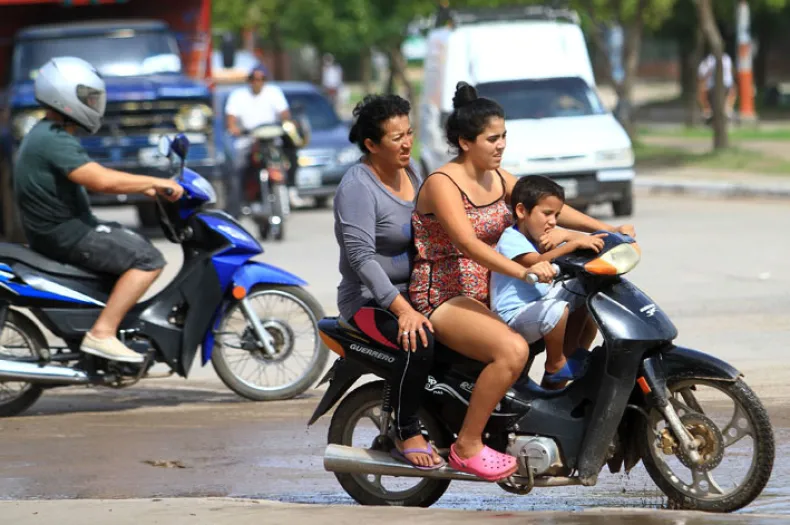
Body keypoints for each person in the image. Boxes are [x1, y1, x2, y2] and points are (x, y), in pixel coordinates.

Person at [409, 81, 636, 482]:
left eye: (503, 136)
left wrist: (607, 229)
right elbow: (467, 243)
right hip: (445, 295)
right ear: (465, 142)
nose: (501, 145)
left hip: (492, 290)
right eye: (492, 139)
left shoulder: (496, 177)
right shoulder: (442, 183)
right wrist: (524, 271)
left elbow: (547, 207)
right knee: (511, 350)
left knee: (578, 297)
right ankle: (467, 445)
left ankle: (553, 386)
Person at [13, 56, 183, 364]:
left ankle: (110, 327)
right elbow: (101, 180)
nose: (93, 104)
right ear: (63, 95)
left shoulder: (49, 133)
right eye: (87, 97)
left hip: (61, 230)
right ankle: (102, 333)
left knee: (125, 241)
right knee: (148, 259)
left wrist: (145, 187)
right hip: (68, 234)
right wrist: (155, 182)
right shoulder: (52, 139)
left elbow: (96, 175)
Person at [334, 94, 444, 470]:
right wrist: (403, 310)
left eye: (409, 133)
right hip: (368, 300)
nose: (407, 143)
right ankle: (405, 429)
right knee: (419, 340)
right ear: (371, 144)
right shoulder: (357, 187)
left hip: (415, 291)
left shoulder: (412, 171)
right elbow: (361, 257)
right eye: (397, 138)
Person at [490, 175, 604, 390]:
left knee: (583, 288)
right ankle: (555, 362)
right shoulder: (511, 239)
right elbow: (537, 261)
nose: (552, 222)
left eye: (557, 215)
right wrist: (571, 243)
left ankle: (570, 351)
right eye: (547, 214)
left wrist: (566, 235)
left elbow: (568, 249)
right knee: (557, 310)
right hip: (514, 315)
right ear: (521, 211)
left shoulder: (541, 237)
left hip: (538, 303)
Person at [224, 64, 304, 215]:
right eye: (254, 79)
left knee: (291, 155)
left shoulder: (274, 92)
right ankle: (237, 207)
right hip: (248, 141)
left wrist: (286, 123)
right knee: (237, 169)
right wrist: (235, 129)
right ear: (249, 80)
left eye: (262, 79)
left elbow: (284, 114)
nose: (257, 82)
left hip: (272, 139)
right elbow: (231, 121)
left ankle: (291, 189)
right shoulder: (238, 96)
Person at [698, 50, 737, 120]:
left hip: (719, 84)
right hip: (720, 84)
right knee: (702, 89)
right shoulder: (724, 58)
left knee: (702, 89)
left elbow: (703, 75)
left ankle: (710, 110)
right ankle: (710, 110)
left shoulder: (712, 60)